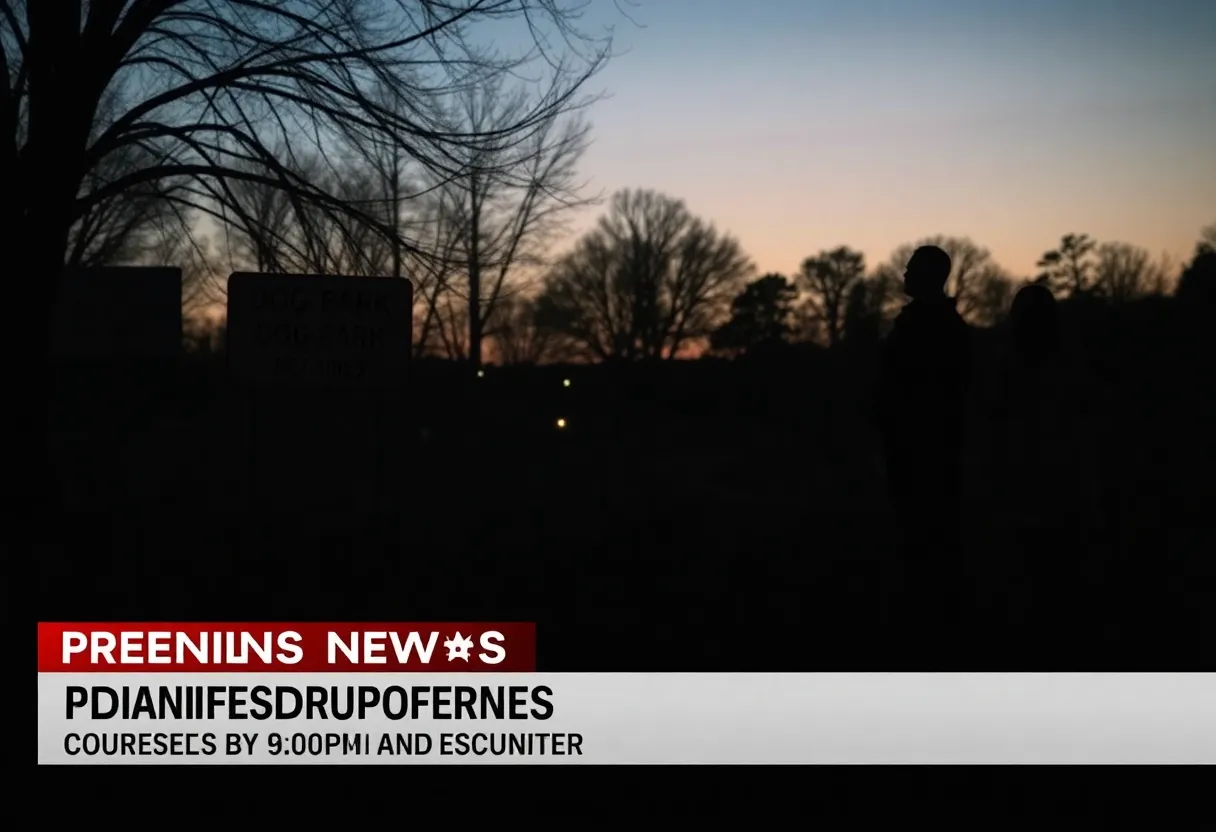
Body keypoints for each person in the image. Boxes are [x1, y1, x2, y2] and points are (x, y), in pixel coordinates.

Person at [876, 245, 973, 636]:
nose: (904, 273)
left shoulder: (926, 328)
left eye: (912, 268)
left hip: (922, 455)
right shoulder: (942, 326)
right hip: (925, 452)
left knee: (923, 542)